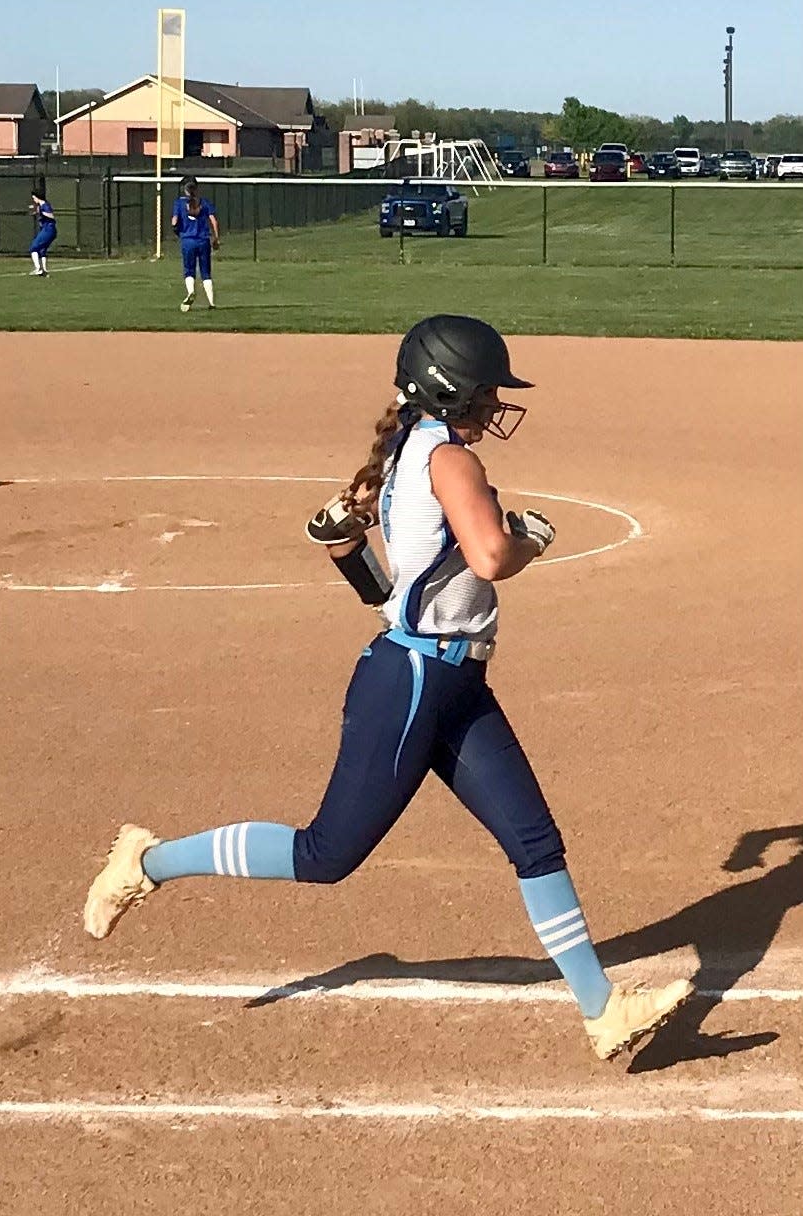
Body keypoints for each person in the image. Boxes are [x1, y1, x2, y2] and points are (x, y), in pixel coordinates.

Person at [83, 314, 693, 1061]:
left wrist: (391, 587)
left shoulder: (411, 445)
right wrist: (528, 537)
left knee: (534, 842)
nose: (495, 403)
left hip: (456, 680)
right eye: (486, 389)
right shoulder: (448, 459)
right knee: (325, 854)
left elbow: (334, 534)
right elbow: (492, 556)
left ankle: (603, 1010)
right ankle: (146, 863)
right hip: (412, 680)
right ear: (451, 389)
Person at [171, 176, 219, 312]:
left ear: (184, 189)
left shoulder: (179, 204)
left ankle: (191, 292)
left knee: (189, 270)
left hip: (188, 241)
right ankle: (211, 302)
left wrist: (177, 229)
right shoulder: (204, 202)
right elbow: (214, 220)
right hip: (203, 241)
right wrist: (216, 238)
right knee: (206, 272)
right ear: (196, 188)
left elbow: (174, 222)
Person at [28, 188, 56, 277]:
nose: (33, 200)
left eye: (34, 198)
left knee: (33, 248)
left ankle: (38, 269)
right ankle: (44, 269)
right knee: (42, 250)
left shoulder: (45, 205)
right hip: (48, 230)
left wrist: (42, 213)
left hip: (48, 230)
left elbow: (51, 216)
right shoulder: (40, 206)